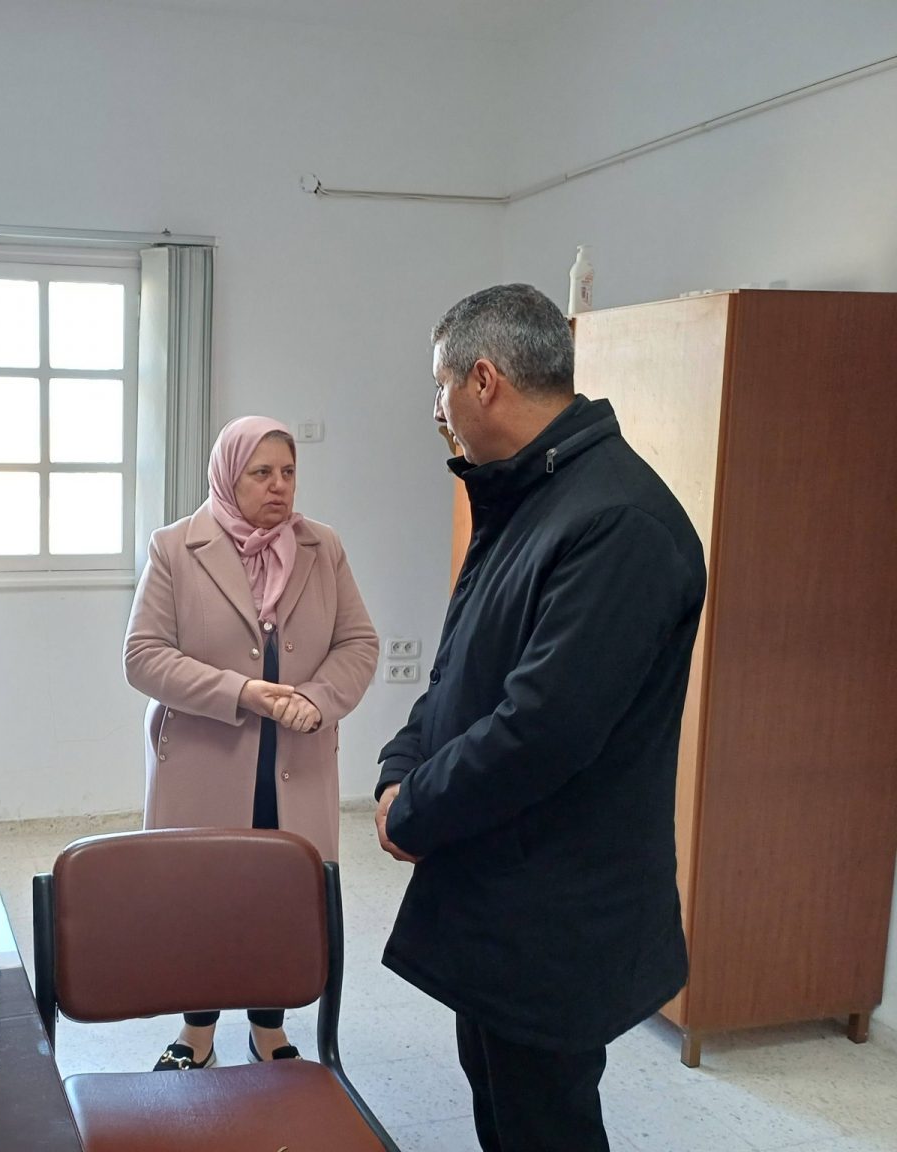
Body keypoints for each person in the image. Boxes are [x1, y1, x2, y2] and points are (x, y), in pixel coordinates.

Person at [373, 284, 706, 1151]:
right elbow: (462, 669)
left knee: (544, 1124)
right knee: (500, 1101)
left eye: (440, 387)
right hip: (498, 889)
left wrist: (414, 809)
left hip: (555, 910)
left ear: (483, 380)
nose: (438, 412)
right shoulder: (531, 494)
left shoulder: (616, 521)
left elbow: (542, 728)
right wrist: (400, 766)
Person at [125, 415, 379, 1070]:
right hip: (206, 765)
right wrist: (241, 692)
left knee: (281, 901)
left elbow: (358, 644)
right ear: (227, 477)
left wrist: (316, 699)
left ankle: (269, 1028)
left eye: (288, 472)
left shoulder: (323, 547)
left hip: (295, 763)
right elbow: (143, 657)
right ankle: (197, 1032)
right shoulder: (175, 547)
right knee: (202, 900)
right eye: (261, 473)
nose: (279, 486)